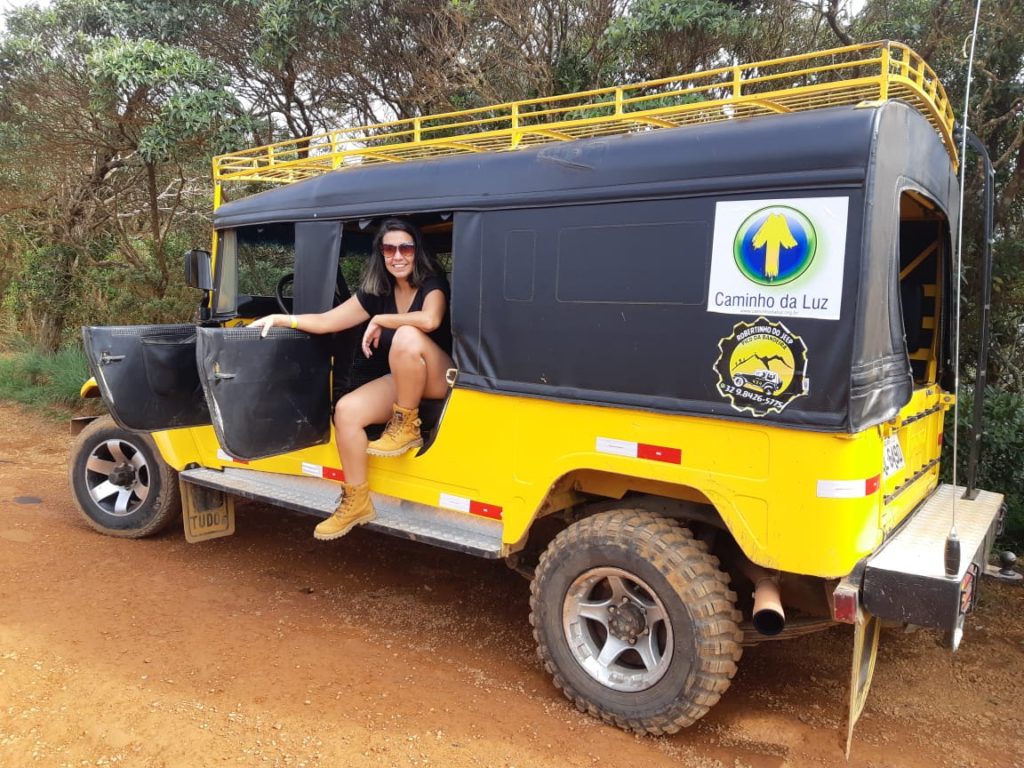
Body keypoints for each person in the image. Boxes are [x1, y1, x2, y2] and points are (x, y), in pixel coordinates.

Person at [250, 219, 453, 541]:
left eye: (405, 248)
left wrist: (382, 320)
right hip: (405, 376)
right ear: (381, 254)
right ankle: (357, 499)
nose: (397, 255)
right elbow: (328, 321)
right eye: (389, 248)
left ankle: (406, 426)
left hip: (442, 376)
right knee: (347, 410)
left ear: (417, 252)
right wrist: (281, 318)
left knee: (406, 335)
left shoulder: (432, 282)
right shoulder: (378, 292)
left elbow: (431, 320)